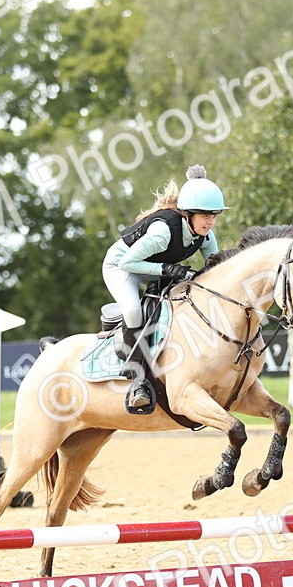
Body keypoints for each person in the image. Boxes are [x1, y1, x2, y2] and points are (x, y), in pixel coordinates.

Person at [102, 164, 228, 410]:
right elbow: (127, 263)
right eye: (205, 216)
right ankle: (137, 380)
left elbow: (216, 268)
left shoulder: (205, 235)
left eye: (214, 216)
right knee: (133, 311)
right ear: (188, 214)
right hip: (121, 267)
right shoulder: (163, 233)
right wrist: (169, 269)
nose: (211, 222)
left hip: (151, 267)